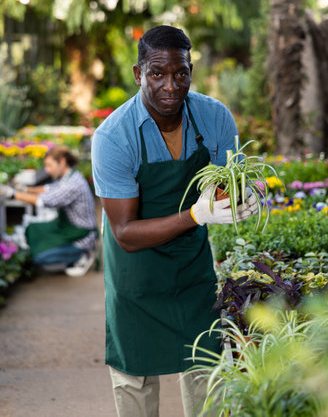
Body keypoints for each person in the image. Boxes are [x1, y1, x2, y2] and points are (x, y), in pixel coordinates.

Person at [91, 25, 257, 416]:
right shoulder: (114, 137)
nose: (171, 85)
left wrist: (243, 196)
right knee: (135, 376)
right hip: (136, 272)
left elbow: (229, 183)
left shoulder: (214, 118)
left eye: (180, 73)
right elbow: (126, 233)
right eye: (157, 73)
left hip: (190, 267)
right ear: (138, 74)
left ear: (191, 70)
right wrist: (197, 214)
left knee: (204, 366)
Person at [0, 145, 97, 277]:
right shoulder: (70, 176)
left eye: (49, 165)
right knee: (33, 229)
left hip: (81, 236)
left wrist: (10, 193)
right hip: (68, 227)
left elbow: (45, 200)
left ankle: (82, 255)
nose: (47, 170)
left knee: (40, 257)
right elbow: (49, 188)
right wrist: (25, 188)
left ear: (62, 161)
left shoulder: (73, 184)